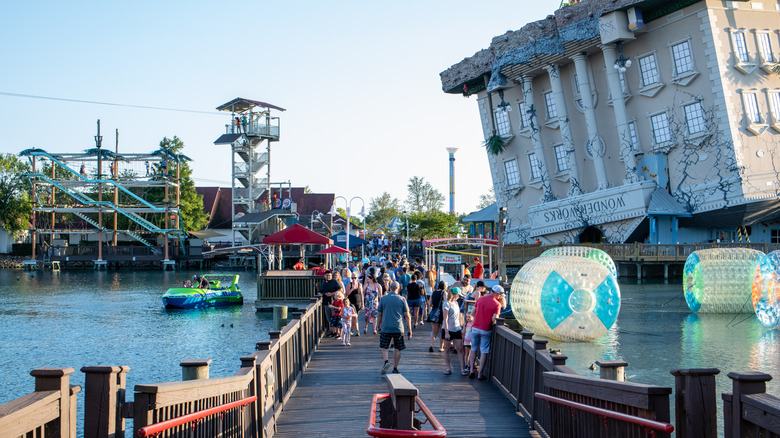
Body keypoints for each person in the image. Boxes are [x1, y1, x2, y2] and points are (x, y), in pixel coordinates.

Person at [467, 285, 504, 380]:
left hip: (475, 327)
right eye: (500, 294)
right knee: (484, 351)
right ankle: (480, 374)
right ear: (496, 293)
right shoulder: (497, 304)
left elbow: (473, 313)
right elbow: (494, 319)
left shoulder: (480, 299)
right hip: (485, 329)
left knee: (473, 349)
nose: (500, 296)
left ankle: (471, 370)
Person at [376, 281, 411, 375]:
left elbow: (379, 314)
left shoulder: (383, 299)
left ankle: (386, 361)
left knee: (384, 346)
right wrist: (410, 330)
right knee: (398, 348)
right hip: (398, 327)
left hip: (386, 327)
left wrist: (378, 326)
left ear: (389, 288)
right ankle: (395, 367)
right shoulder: (402, 299)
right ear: (398, 289)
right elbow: (407, 315)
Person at [442, 287, 466, 376]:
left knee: (460, 349)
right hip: (448, 329)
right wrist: (447, 332)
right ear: (454, 294)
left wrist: (462, 325)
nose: (459, 297)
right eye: (458, 295)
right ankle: (448, 368)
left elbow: (458, 315)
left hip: (457, 328)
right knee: (447, 349)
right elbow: (445, 318)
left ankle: (462, 369)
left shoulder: (456, 303)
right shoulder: (446, 304)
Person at [320, 271, 343, 338]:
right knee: (329, 318)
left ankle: (337, 332)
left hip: (334, 302)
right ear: (324, 276)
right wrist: (320, 294)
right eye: (327, 275)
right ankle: (332, 332)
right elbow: (321, 291)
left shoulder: (334, 282)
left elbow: (340, 289)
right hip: (326, 302)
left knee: (335, 317)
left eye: (329, 275)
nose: (328, 277)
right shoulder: (323, 283)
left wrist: (332, 294)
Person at [427, 281, 447, 352]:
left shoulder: (433, 293)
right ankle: (441, 347)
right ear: (445, 287)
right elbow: (446, 303)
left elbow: (430, 304)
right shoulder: (444, 293)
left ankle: (431, 345)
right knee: (442, 331)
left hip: (435, 314)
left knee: (434, 331)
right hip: (442, 314)